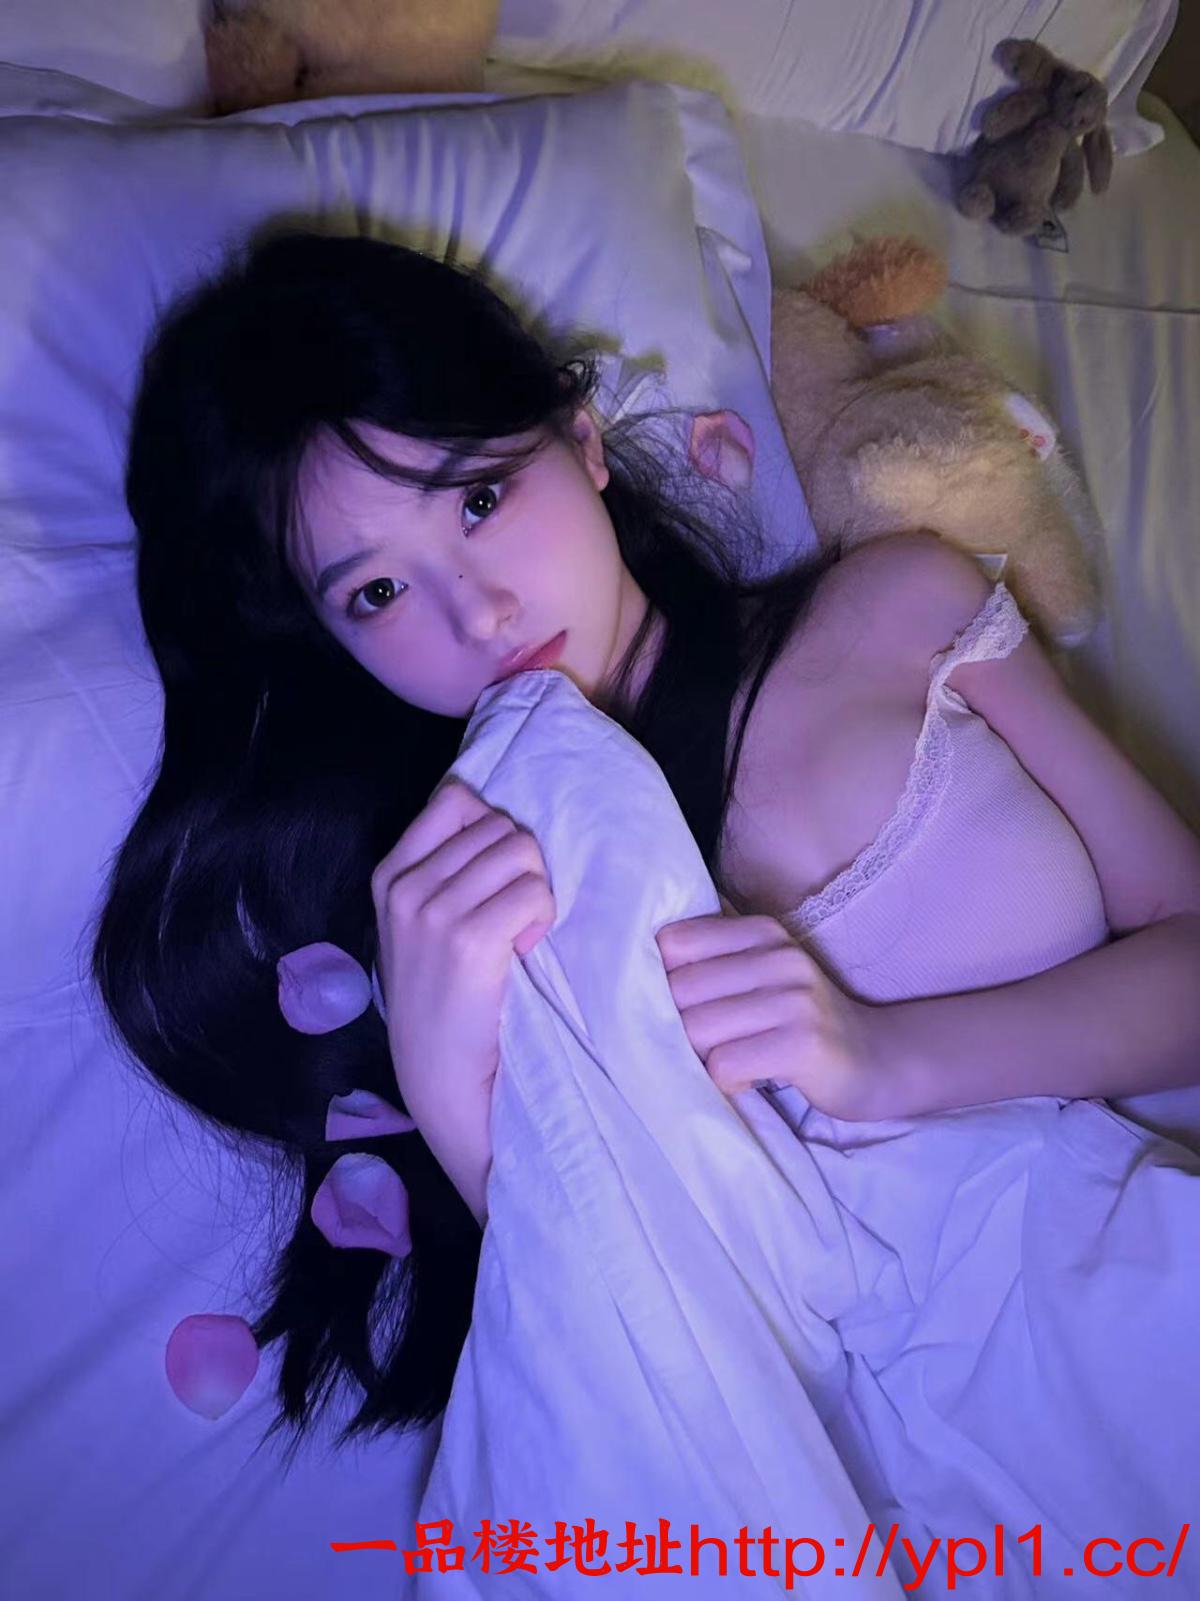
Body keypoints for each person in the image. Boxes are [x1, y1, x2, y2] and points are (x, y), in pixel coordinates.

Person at [90, 225, 1200, 1467]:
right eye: (377, 593)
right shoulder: (464, 918)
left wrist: (883, 1056)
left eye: (480, 497)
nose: (479, 611)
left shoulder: (902, 607)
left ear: (582, 440)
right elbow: (637, 1346)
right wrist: (451, 1098)